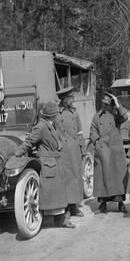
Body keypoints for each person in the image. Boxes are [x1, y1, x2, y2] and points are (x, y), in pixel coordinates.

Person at [14, 101, 75, 228]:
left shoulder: (50, 125)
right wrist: (17, 155)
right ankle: (51, 220)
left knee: (58, 192)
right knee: (50, 193)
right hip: (48, 163)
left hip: (54, 162)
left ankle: (60, 219)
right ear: (52, 115)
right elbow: (29, 141)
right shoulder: (41, 126)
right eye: (56, 114)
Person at [89, 92, 129, 214]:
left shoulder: (116, 115)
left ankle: (121, 204)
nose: (104, 105)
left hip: (115, 150)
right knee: (102, 177)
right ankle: (103, 204)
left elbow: (125, 116)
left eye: (106, 104)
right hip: (103, 150)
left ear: (110, 105)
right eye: (103, 103)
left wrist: (118, 104)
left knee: (118, 177)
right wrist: (97, 141)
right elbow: (92, 130)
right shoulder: (97, 116)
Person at [55, 86, 86, 218]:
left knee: (76, 178)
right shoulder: (56, 113)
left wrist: (83, 148)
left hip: (75, 151)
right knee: (66, 179)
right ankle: (66, 209)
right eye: (70, 98)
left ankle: (74, 207)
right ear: (64, 99)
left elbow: (80, 132)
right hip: (63, 152)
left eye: (72, 98)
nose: (72, 100)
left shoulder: (75, 113)